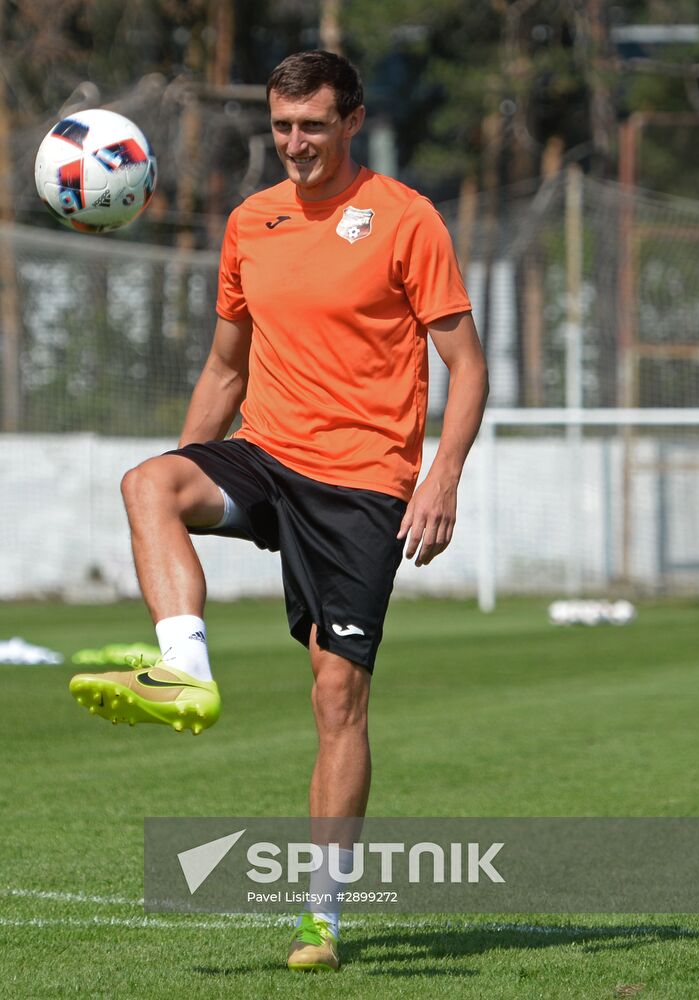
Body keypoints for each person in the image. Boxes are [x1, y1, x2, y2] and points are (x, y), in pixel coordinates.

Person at [69, 49, 488, 971]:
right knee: (149, 483)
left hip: (363, 482)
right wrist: (193, 460)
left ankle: (322, 920)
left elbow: (469, 364)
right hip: (268, 453)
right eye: (283, 126)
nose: (295, 143)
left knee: (337, 695)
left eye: (313, 125)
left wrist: (442, 474)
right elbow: (225, 367)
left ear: (350, 121)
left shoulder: (406, 218)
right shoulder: (250, 221)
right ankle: (184, 667)